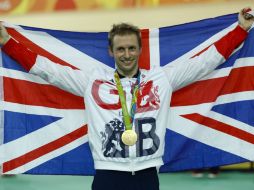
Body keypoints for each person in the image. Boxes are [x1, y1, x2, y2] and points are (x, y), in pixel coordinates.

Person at [0, 8, 253, 190]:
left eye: (132, 48)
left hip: (147, 175)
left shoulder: (160, 79)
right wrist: (7, 42)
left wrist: (240, 30)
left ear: (140, 50)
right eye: (120, 49)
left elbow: (204, 63)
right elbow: (48, 70)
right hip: (107, 175)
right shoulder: (93, 81)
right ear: (111, 51)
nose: (127, 54)